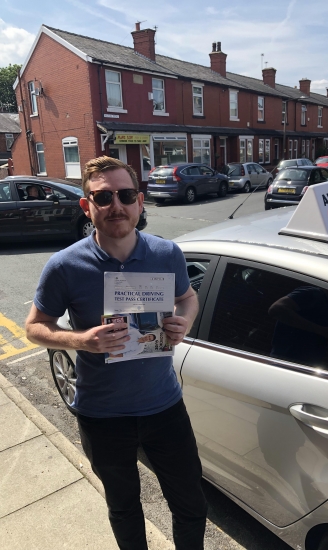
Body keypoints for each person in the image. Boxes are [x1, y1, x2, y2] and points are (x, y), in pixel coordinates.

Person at [25, 156, 207, 550]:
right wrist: (81, 340)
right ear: (86, 205)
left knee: (191, 505)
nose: (116, 206)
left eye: (125, 195)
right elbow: (34, 328)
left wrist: (184, 322)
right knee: (124, 509)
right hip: (102, 415)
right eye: (103, 197)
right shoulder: (65, 266)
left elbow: (188, 298)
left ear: (140, 202)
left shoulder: (166, 253)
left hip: (163, 407)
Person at [268, 285, 328, 367]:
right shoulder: (313, 294)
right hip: (285, 362)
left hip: (304, 366)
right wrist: (323, 331)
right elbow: (277, 309)